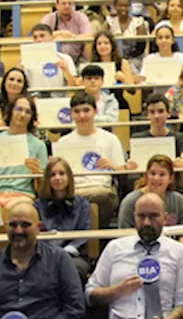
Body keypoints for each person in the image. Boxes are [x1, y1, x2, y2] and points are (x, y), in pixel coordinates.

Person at [54, 92, 129, 228]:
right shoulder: (63, 142)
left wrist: (113, 167)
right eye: (76, 111)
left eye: (86, 110)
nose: (82, 116)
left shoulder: (110, 139)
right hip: (73, 190)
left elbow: (122, 170)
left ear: (95, 111)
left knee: (100, 197)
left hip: (101, 189)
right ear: (71, 114)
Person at [0, 95, 49, 209]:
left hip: (22, 195)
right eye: (19, 109)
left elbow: (41, 189)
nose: (22, 114)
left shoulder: (39, 145)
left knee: (18, 211)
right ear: (10, 111)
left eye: (27, 112)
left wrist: (36, 172)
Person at [117, 156, 183, 248]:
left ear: (171, 178)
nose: (156, 178)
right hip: (138, 250)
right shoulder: (130, 201)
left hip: (171, 251)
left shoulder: (178, 200)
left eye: (162, 174)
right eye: (153, 173)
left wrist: (180, 252)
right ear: (146, 176)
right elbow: (124, 236)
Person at [130, 93, 183, 168]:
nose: (156, 116)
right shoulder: (137, 138)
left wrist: (182, 163)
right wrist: (130, 165)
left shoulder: (181, 138)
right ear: (147, 115)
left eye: (160, 111)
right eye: (152, 112)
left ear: (168, 113)